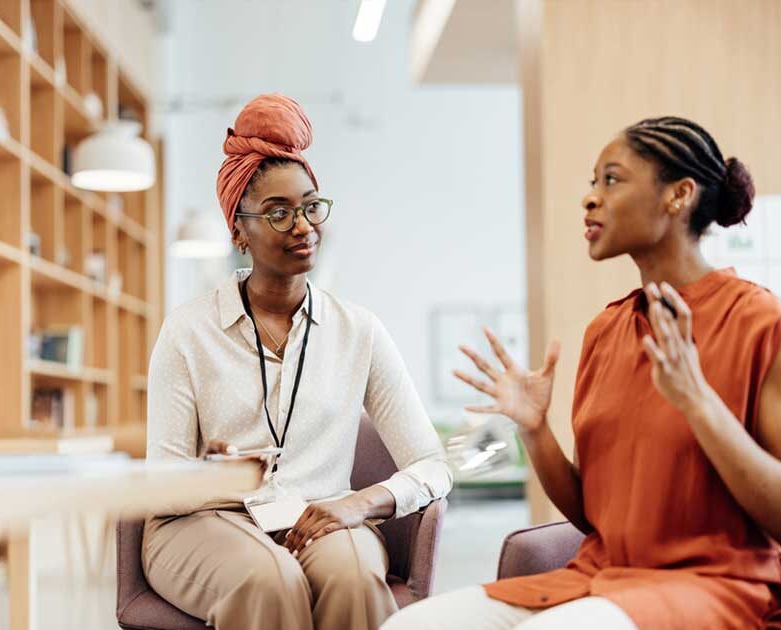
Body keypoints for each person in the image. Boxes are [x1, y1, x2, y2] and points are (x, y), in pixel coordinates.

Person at [382, 116, 781, 630]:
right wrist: (535, 429)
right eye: (593, 182)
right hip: (601, 578)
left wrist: (699, 404)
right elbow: (595, 518)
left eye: (611, 179)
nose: (590, 198)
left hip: (716, 587)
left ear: (678, 196)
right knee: (409, 627)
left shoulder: (759, 322)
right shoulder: (607, 330)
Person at [142, 93, 452, 630]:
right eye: (279, 213)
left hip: (322, 515)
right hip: (205, 519)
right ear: (238, 231)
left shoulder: (360, 331)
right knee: (270, 580)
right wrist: (206, 474)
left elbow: (433, 464)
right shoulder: (187, 331)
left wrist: (362, 503)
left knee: (354, 579)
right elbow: (162, 480)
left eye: (311, 206)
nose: (303, 226)